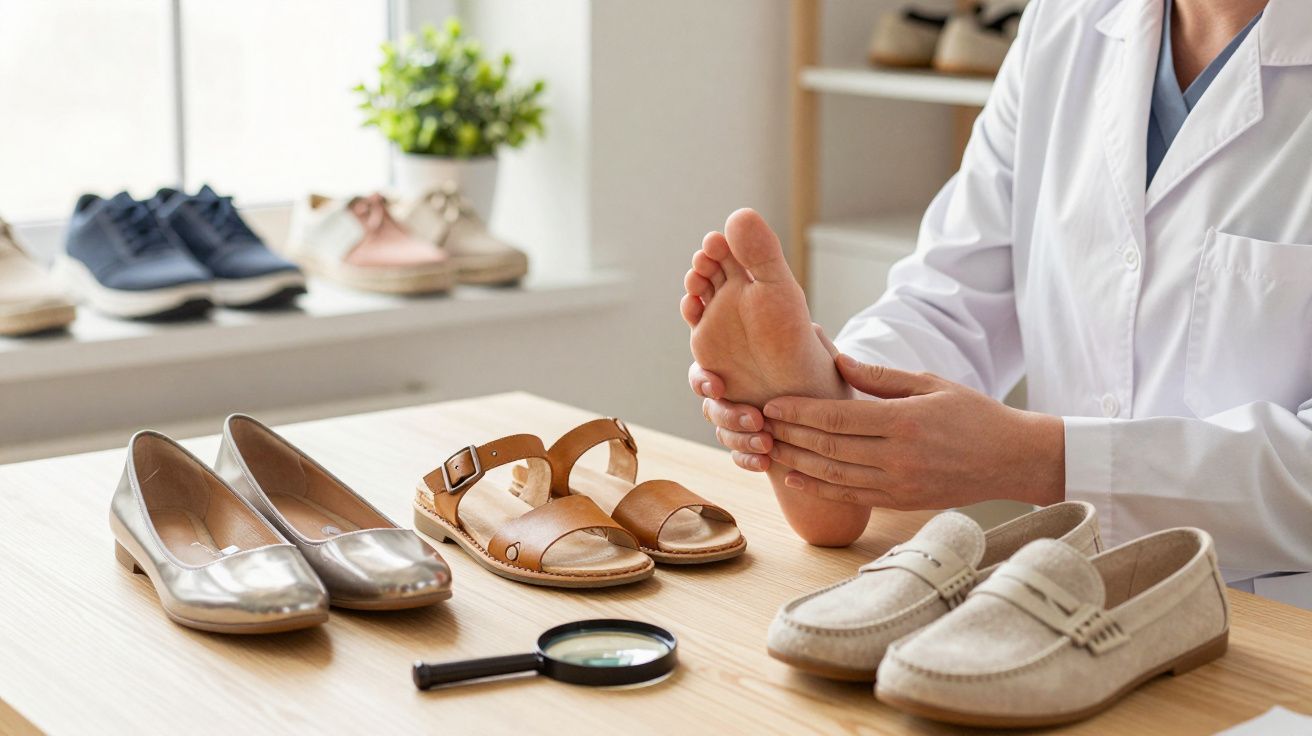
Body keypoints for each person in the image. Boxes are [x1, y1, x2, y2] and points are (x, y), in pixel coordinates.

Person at [680, 0, 1312, 607]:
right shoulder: (1064, 20)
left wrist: (1040, 460)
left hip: (1270, 616)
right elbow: (952, 295)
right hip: (1056, 596)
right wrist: (834, 399)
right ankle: (830, 454)